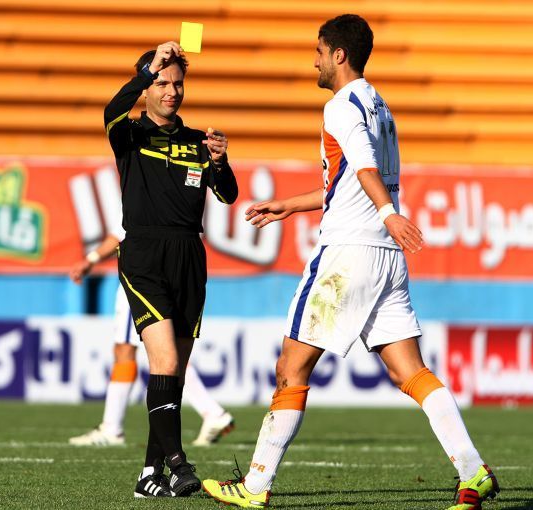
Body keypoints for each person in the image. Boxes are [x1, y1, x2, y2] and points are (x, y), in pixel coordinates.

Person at [201, 14, 499, 510]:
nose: (314, 62)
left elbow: (363, 167)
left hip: (347, 255)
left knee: (290, 369)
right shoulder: (379, 104)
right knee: (410, 372)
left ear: (338, 55)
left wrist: (388, 213)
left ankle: (254, 486)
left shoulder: (340, 106)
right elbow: (346, 181)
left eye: (319, 52)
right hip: (385, 258)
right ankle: (474, 471)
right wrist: (290, 205)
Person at [104, 41, 238, 498]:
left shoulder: (198, 140)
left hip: (189, 256)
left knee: (173, 373)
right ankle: (179, 465)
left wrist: (220, 162)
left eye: (178, 84)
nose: (171, 91)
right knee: (163, 361)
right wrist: (149, 68)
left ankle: (149, 475)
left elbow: (227, 194)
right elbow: (111, 109)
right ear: (147, 87)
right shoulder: (129, 134)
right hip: (143, 254)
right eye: (162, 83)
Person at [66, 229, 235, 448]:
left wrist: (91, 259)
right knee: (165, 351)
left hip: (142, 272)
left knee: (131, 349)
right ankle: (212, 412)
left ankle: (112, 428)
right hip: (174, 264)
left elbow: (121, 232)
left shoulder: (144, 204)